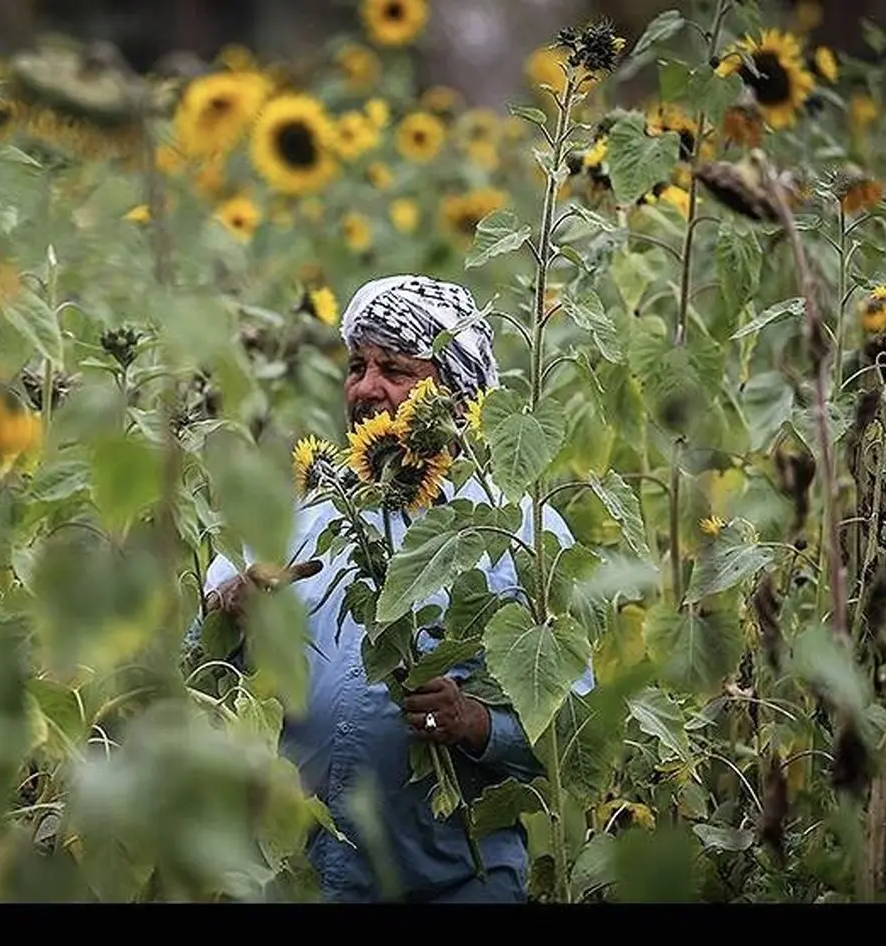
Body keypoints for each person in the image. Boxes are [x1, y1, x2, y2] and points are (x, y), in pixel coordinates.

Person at [188, 275, 593, 903]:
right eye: (357, 365)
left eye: (396, 369)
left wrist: (474, 723)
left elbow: (573, 736)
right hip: (296, 876)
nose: (367, 388)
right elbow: (202, 668)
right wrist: (229, 610)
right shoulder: (300, 512)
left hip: (453, 883)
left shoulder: (517, 530)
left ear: (456, 391)